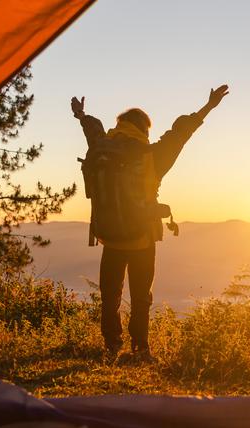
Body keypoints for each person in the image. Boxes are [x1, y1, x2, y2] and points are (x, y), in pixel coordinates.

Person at [71, 85, 229, 360]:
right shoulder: (154, 155)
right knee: (141, 296)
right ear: (144, 129)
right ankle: (140, 349)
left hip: (109, 235)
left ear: (120, 125)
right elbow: (182, 133)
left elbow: (93, 129)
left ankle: (111, 346)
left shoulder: (101, 147)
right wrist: (208, 107)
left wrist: (80, 114)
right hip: (142, 237)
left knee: (110, 295)